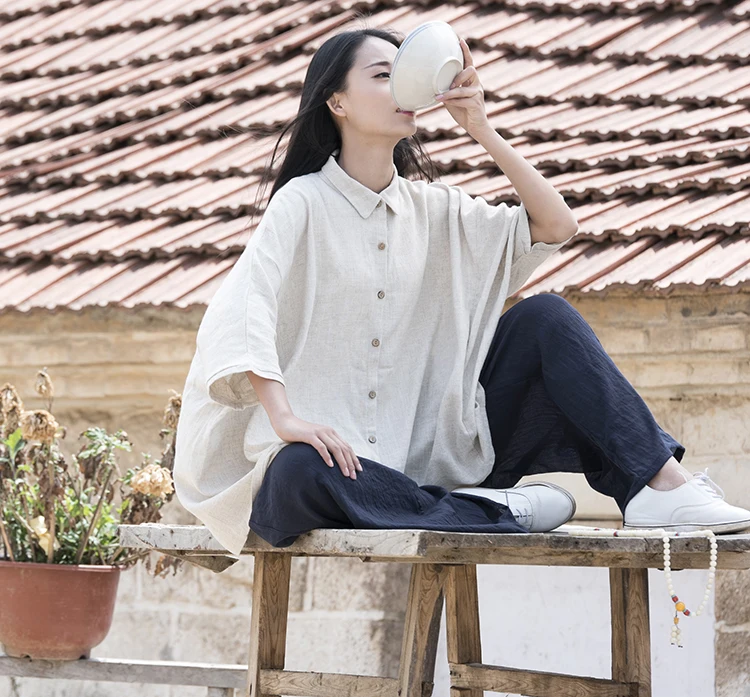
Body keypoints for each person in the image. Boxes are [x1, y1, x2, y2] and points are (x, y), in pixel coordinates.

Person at [173, 27, 750, 557]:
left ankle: (660, 486)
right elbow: (244, 308)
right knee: (296, 472)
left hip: (436, 453)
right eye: (383, 74)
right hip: (335, 468)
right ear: (337, 101)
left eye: (405, 72)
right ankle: (485, 511)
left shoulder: (438, 210)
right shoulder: (300, 203)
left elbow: (556, 225)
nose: (403, 85)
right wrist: (285, 419)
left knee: (546, 317)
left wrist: (481, 128)